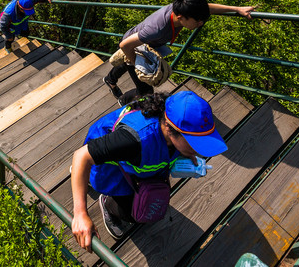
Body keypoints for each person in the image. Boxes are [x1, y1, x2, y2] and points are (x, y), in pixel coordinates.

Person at [71, 91, 227, 251]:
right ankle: (107, 203)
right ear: (170, 127)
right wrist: (80, 213)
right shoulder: (134, 139)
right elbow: (81, 156)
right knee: (133, 214)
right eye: (194, 143)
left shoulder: (170, 120)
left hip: (137, 162)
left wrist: (184, 154)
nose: (198, 150)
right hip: (112, 166)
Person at [105, 0, 256, 105]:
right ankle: (123, 100)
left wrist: (237, 9)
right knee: (146, 91)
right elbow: (124, 45)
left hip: (147, 43)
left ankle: (110, 79)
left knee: (124, 63)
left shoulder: (183, 9)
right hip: (134, 46)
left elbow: (206, 8)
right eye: (197, 21)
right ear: (180, 17)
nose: (200, 24)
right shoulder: (156, 28)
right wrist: (138, 65)